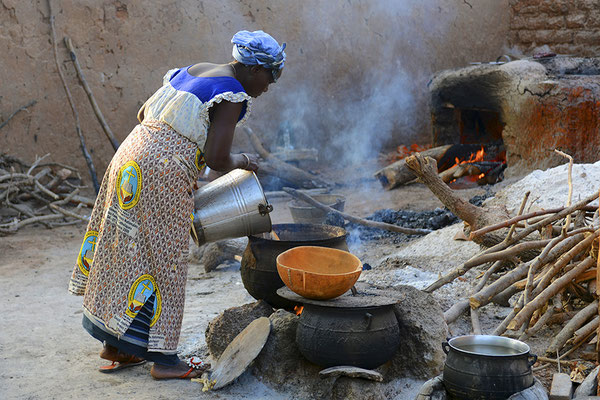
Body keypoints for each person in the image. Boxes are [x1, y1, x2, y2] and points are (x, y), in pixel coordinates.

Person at [69, 30, 286, 379]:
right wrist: (244, 160)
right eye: (271, 76)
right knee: (165, 262)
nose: (269, 85)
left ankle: (115, 347)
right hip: (163, 173)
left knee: (127, 252)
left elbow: (145, 113)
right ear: (255, 69)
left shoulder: (196, 69)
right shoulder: (233, 95)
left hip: (130, 159)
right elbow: (217, 158)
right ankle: (164, 361)